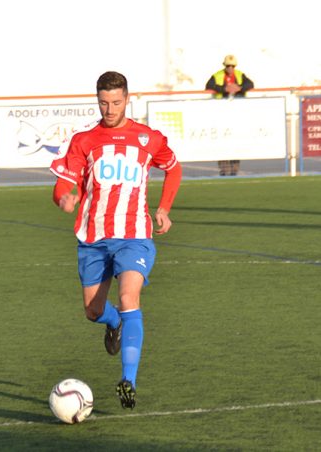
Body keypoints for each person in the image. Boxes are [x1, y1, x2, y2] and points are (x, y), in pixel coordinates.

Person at [50, 71, 182, 409]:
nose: (110, 109)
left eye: (116, 102)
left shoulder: (147, 138)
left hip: (134, 235)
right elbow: (64, 183)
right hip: (93, 237)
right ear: (98, 101)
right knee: (93, 311)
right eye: (104, 103)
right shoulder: (84, 140)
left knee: (128, 296)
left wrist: (164, 209)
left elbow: (173, 168)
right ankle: (114, 323)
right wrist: (64, 198)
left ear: (127, 99)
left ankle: (128, 381)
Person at [205, 54, 254, 176]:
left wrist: (239, 88)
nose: (230, 68)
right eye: (228, 66)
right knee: (222, 141)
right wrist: (224, 89)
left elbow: (250, 84)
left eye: (232, 66)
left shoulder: (239, 75)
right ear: (224, 66)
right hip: (221, 112)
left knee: (236, 140)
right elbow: (209, 86)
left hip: (237, 113)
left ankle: (234, 169)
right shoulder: (218, 75)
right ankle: (224, 169)